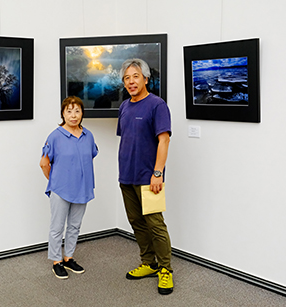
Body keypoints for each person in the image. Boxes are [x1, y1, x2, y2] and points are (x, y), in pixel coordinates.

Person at [116, 58, 174, 295]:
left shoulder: (157, 105)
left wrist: (157, 173)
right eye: (127, 78)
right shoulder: (124, 106)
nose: (131, 82)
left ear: (146, 79)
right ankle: (148, 263)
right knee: (137, 223)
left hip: (149, 178)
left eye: (135, 76)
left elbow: (164, 139)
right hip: (126, 177)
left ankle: (166, 270)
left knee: (155, 224)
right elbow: (127, 138)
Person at [40, 96, 98, 279]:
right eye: (69, 111)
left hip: (83, 188)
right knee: (57, 227)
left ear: (82, 113)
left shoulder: (88, 135)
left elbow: (90, 156)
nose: (73, 115)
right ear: (63, 114)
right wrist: (56, 180)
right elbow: (44, 163)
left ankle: (68, 257)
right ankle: (56, 261)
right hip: (61, 189)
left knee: (75, 226)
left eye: (77, 111)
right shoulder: (55, 136)